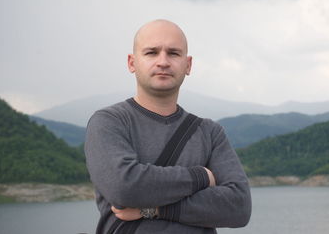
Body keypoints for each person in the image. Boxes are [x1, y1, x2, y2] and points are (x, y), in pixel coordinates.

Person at [85, 19, 252, 234]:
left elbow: (239, 206)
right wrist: (200, 176)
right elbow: (125, 187)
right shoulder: (108, 122)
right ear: (132, 62)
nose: (163, 61)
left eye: (173, 53)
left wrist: (153, 209)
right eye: (152, 52)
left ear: (188, 65)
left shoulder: (210, 133)